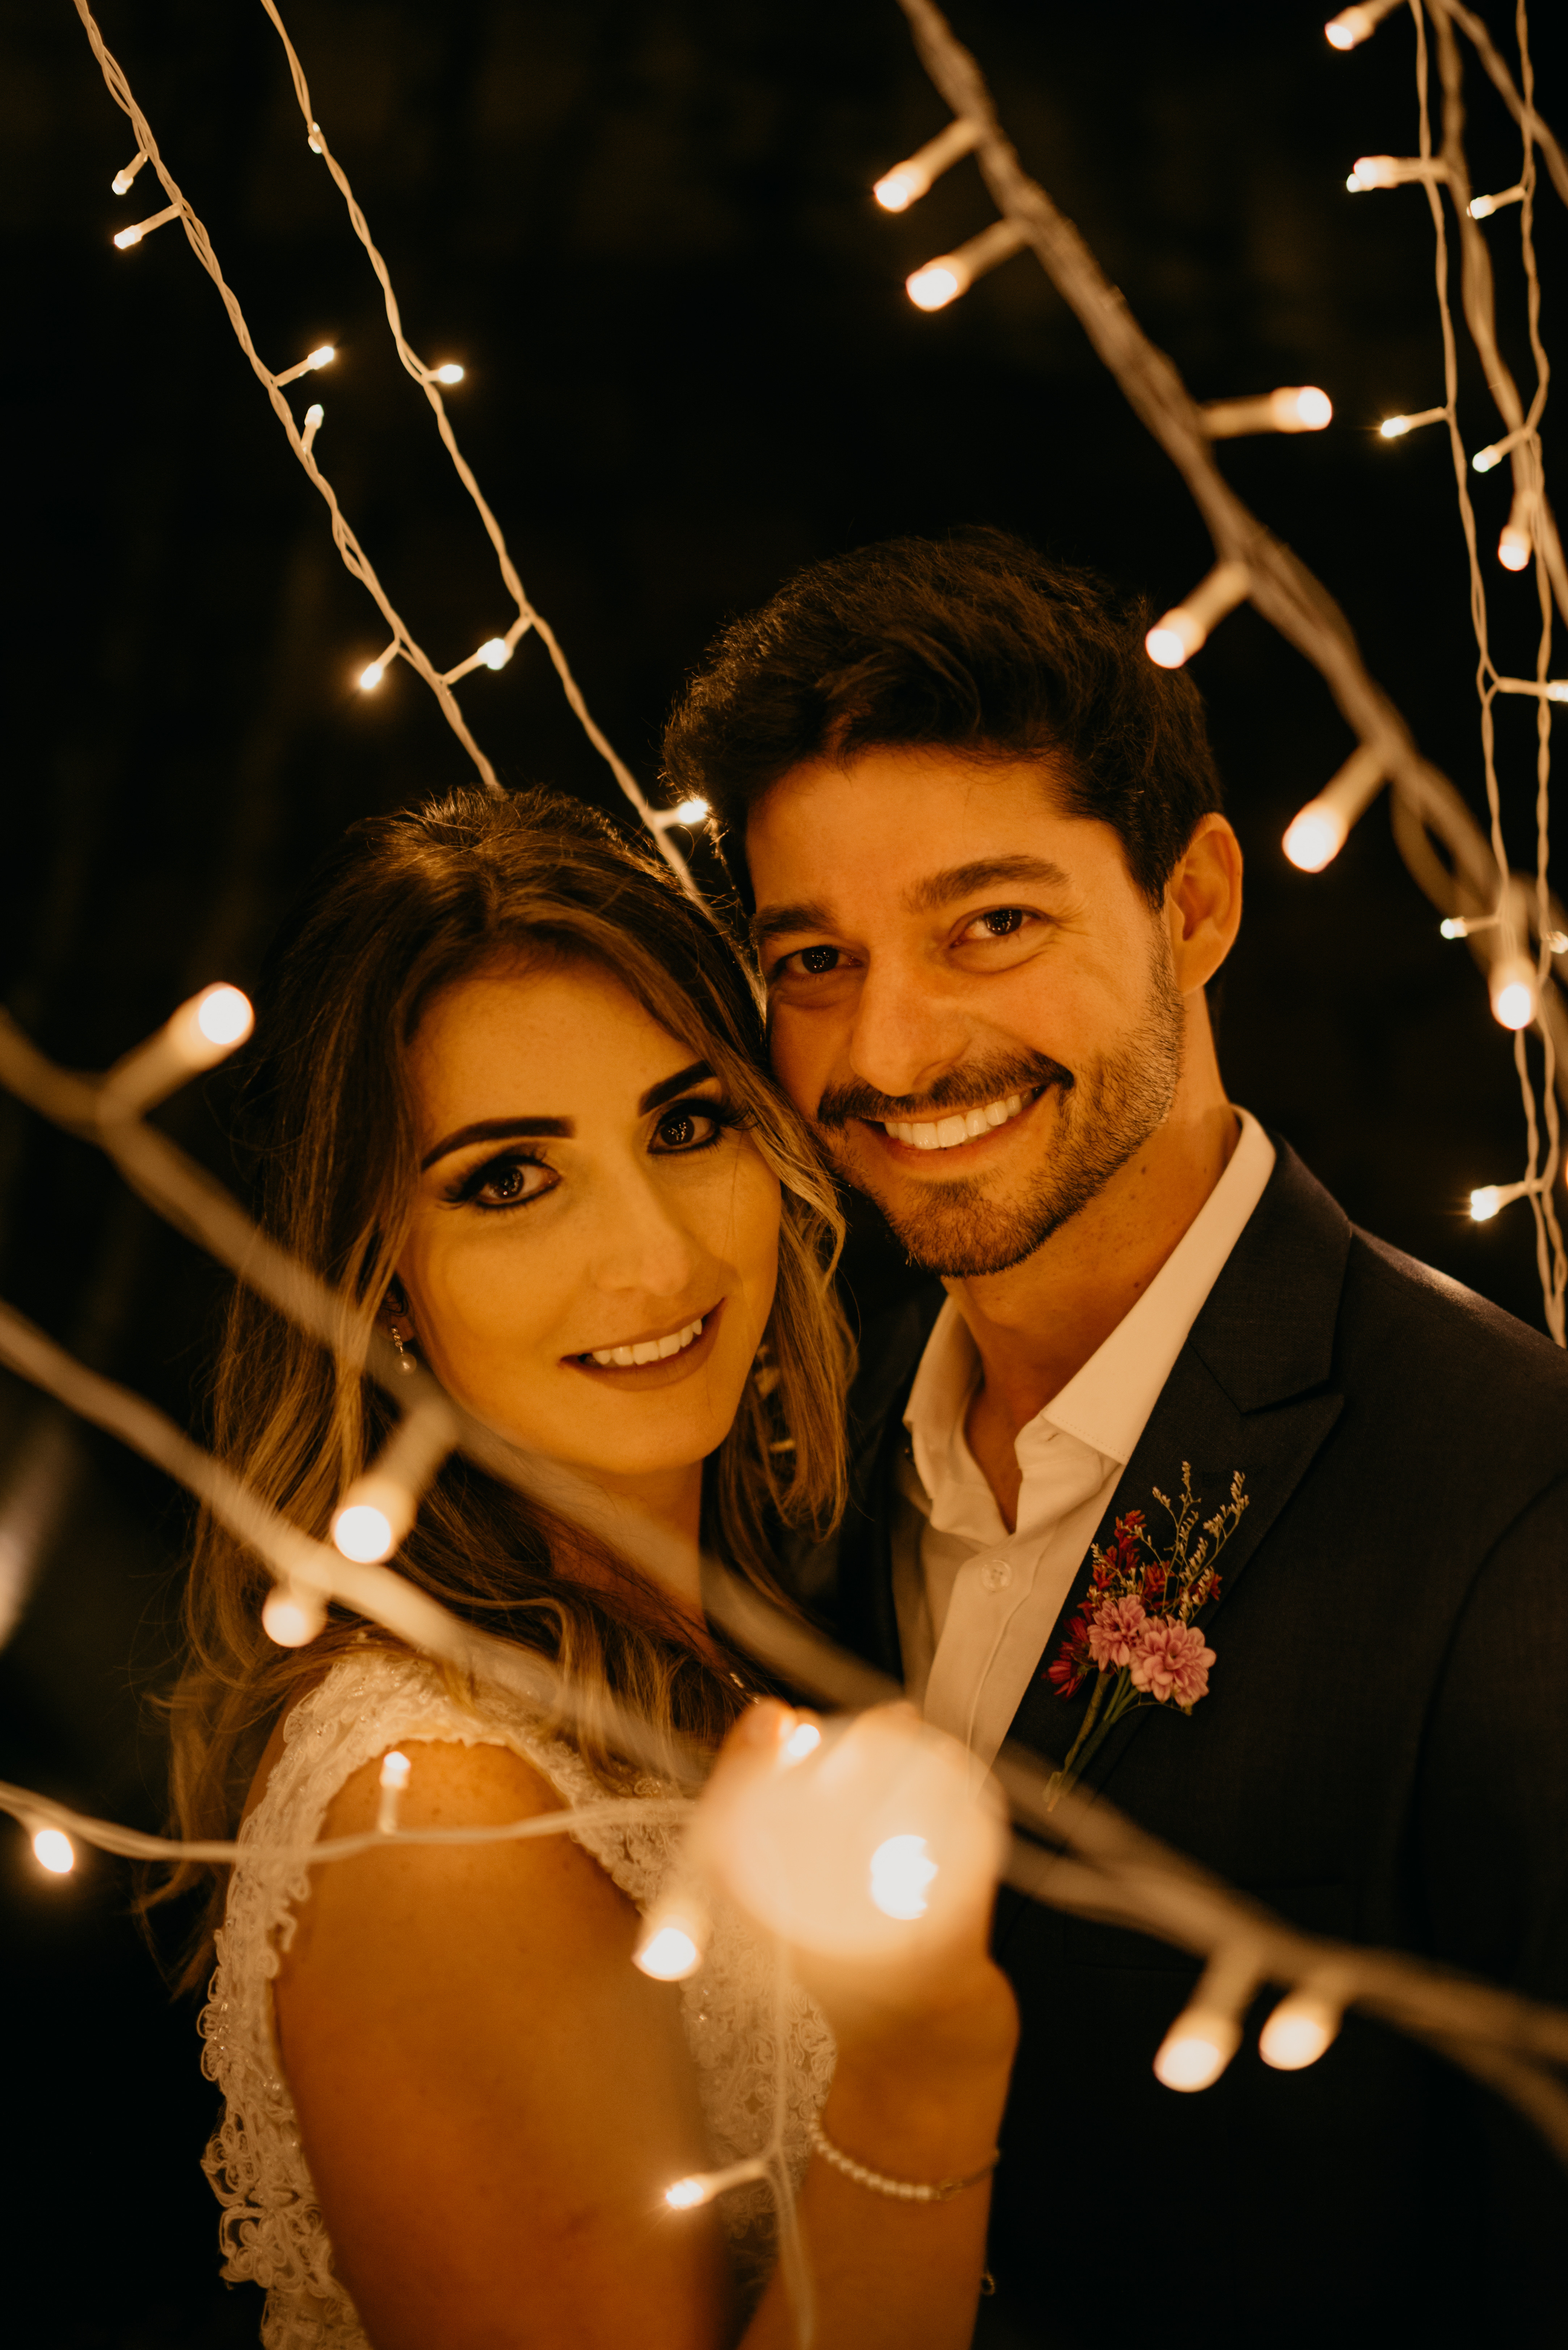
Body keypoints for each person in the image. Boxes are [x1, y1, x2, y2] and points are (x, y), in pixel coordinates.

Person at [661, 526, 1568, 2350]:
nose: (891, 1051)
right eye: (816, 958)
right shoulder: (788, 1465)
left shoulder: (1509, 1494)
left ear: (1197, 905)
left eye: (991, 926)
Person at [162, 788, 1017, 2350]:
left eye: (685, 1127)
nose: (657, 1259)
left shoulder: (766, 1630)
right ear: (380, 1276)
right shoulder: (440, 1825)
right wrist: (922, 2076)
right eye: (508, 1179)